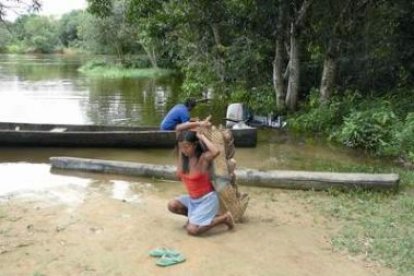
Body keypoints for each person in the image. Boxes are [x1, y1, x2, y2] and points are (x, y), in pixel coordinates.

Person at [167, 130, 234, 236]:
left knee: (192, 230)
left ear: (195, 145)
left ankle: (225, 218)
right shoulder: (184, 160)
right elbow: (178, 128)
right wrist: (181, 149)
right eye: (181, 147)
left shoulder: (203, 158)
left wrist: (201, 137)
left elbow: (215, 151)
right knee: (172, 205)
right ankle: (194, 218)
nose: (184, 150)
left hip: (207, 200)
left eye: (187, 146)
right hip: (193, 200)